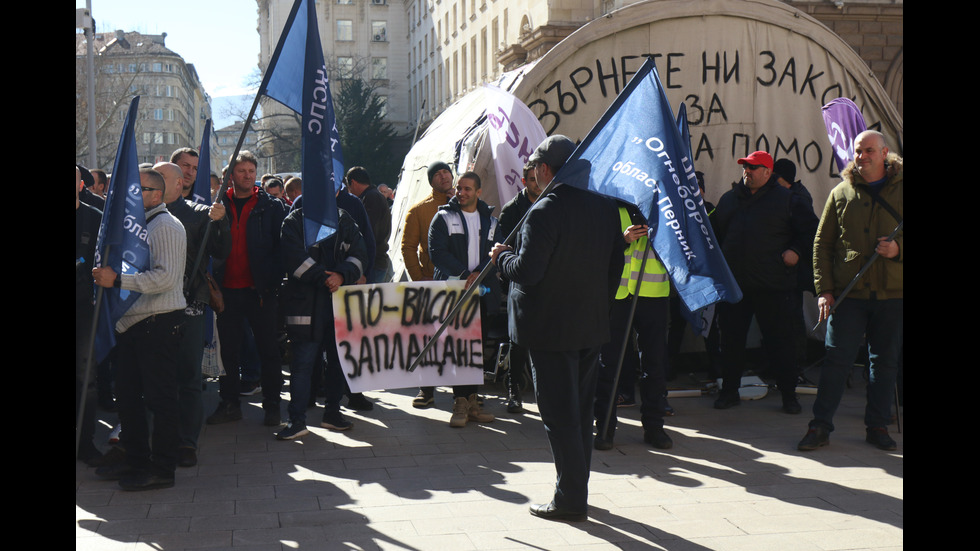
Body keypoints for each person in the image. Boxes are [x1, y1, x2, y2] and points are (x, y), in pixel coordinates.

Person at [490, 135, 624, 522]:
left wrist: (502, 258)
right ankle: (575, 489)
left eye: (533, 169)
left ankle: (569, 499)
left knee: (559, 415)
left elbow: (528, 272)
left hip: (549, 331)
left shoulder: (546, 209)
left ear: (546, 170)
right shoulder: (604, 207)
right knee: (579, 413)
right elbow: (615, 268)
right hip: (589, 326)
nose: (532, 176)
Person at [798, 130, 903, 452]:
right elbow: (822, 243)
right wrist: (824, 289)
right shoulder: (841, 192)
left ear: (885, 153)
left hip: (892, 295)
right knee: (836, 361)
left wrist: (898, 250)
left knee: (884, 364)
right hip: (849, 294)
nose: (862, 156)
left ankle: (877, 426)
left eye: (869, 150)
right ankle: (820, 426)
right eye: (858, 150)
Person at [92, 166, 187, 491]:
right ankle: (135, 459)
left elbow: (166, 278)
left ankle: (162, 469)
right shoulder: (138, 226)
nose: (129, 197)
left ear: (156, 195)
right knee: (128, 398)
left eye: (138, 190)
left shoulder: (166, 226)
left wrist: (118, 279)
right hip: (132, 325)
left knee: (160, 399)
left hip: (158, 324)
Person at [712, 151, 817, 414]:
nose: (747, 171)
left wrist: (796, 251)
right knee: (731, 343)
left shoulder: (788, 200)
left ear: (768, 172)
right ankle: (729, 392)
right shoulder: (728, 200)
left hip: (774, 287)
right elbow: (714, 235)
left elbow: (812, 232)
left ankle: (788, 396)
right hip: (736, 287)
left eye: (753, 168)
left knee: (782, 343)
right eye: (745, 167)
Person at [157, 160, 231, 467]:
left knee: (188, 376)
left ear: (177, 184)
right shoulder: (139, 213)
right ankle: (158, 437)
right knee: (157, 378)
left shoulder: (198, 213)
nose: (150, 182)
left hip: (189, 303)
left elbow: (220, 251)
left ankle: (187, 441)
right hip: (151, 304)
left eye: (158, 178)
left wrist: (221, 221)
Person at [276, 195, 369, 439]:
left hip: (338, 304)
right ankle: (296, 421)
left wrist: (341, 275)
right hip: (305, 304)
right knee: (302, 364)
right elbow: (292, 257)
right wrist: (324, 277)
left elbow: (360, 253)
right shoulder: (294, 221)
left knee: (339, 361)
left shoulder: (344, 219)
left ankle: (333, 414)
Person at [206, 150, 287, 428]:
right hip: (226, 289)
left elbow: (282, 249)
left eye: (251, 171)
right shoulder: (217, 205)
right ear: (230, 175)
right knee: (228, 351)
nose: (248, 175)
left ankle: (273, 406)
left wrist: (271, 285)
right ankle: (229, 404)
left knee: (268, 350)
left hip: (259, 291)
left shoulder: (272, 206)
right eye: (241, 171)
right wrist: (213, 220)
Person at [594, 202, 673, 451]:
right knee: (609, 364)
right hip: (617, 295)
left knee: (655, 364)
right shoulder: (608, 207)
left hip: (653, 293)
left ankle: (654, 427)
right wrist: (623, 239)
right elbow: (592, 247)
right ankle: (605, 428)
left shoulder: (663, 205)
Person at [427, 171, 498, 428]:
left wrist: (479, 274)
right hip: (453, 293)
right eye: (460, 188)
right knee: (457, 349)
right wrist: (466, 275)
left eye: (468, 189)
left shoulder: (491, 221)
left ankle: (472, 401)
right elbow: (437, 253)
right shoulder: (443, 217)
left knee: (475, 349)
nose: (462, 193)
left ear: (479, 192)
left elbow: (496, 252)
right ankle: (459, 402)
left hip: (481, 293)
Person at [400, 161, 454, 408]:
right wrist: (419, 277)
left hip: (461, 282)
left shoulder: (466, 203)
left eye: (447, 172)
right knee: (429, 337)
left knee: (460, 337)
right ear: (432, 180)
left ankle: (465, 393)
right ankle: (427, 389)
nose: (444, 176)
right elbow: (408, 247)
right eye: (438, 174)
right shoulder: (419, 211)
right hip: (432, 283)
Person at [495, 163, 541, 413]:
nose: (537, 183)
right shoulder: (512, 209)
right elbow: (504, 248)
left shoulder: (550, 203)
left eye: (539, 178)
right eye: (532, 179)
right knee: (518, 340)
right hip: (519, 280)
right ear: (524, 181)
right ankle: (514, 392)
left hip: (545, 281)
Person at [76, 166, 104, 466]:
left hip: (84, 309)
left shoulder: (94, 217)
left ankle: (85, 444)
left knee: (86, 380)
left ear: (81, 185)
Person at [346, 166, 393, 284]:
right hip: (373, 262)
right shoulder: (372, 196)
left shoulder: (371, 198)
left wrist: (364, 270)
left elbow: (369, 234)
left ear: (352, 182)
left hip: (373, 263)